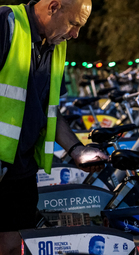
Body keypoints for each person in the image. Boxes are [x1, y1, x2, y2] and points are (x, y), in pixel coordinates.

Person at [0, 0, 108, 253]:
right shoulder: (6, 23)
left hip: (20, 166)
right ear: (54, 6)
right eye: (73, 23)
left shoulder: (55, 45)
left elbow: (49, 110)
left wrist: (76, 150)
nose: (75, 34)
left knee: (15, 242)